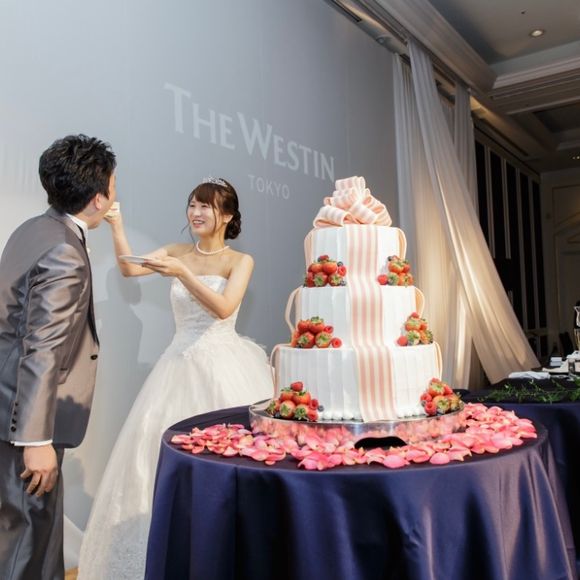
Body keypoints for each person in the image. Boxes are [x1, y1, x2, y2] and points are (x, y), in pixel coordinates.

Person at [78, 177, 273, 579]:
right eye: (192, 205)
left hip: (224, 368)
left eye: (206, 206)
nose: (196, 213)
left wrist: (183, 273)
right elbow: (129, 268)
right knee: (151, 457)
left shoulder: (240, 261)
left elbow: (224, 308)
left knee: (227, 461)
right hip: (176, 366)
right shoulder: (177, 250)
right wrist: (117, 226)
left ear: (227, 216)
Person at [0, 134, 117, 580]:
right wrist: (35, 441)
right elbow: (42, 348)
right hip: (25, 422)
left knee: (31, 538)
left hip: (8, 405)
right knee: (26, 544)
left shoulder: (33, 228)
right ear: (98, 198)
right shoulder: (65, 251)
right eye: (113, 184)